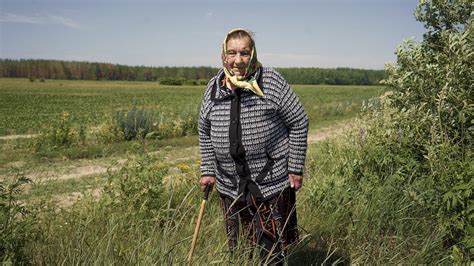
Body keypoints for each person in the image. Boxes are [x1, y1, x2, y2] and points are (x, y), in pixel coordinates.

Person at [198, 28, 308, 264]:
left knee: (272, 252)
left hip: (271, 182)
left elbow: (299, 121)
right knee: (240, 250)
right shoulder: (214, 86)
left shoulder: (270, 81)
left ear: (253, 54)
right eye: (232, 53)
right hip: (230, 184)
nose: (238, 60)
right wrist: (208, 169)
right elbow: (204, 129)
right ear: (223, 56)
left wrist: (295, 167)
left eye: (245, 53)